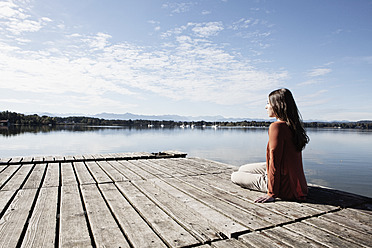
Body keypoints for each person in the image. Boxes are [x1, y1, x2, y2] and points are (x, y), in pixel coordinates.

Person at [231, 88, 309, 203]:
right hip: (298, 184)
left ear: (277, 105)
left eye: (268, 103)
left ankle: (270, 185)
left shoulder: (277, 127)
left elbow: (274, 162)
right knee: (243, 168)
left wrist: (272, 193)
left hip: (284, 188)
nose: (266, 107)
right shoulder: (293, 126)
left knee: (235, 176)